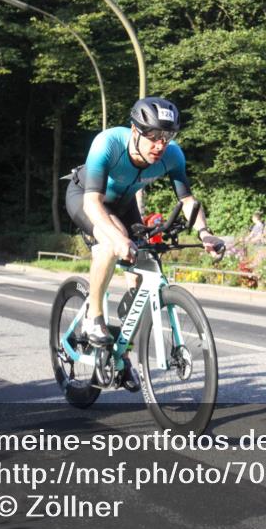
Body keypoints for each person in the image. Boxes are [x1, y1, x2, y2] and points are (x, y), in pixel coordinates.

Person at [65, 97, 224, 390]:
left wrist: (204, 233)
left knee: (142, 279)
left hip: (124, 205)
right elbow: (92, 203)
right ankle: (93, 317)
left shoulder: (173, 155)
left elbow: (188, 201)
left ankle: (120, 356)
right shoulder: (108, 143)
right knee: (111, 243)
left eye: (167, 137)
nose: (160, 145)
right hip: (86, 198)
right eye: (153, 136)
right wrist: (118, 238)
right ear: (135, 130)